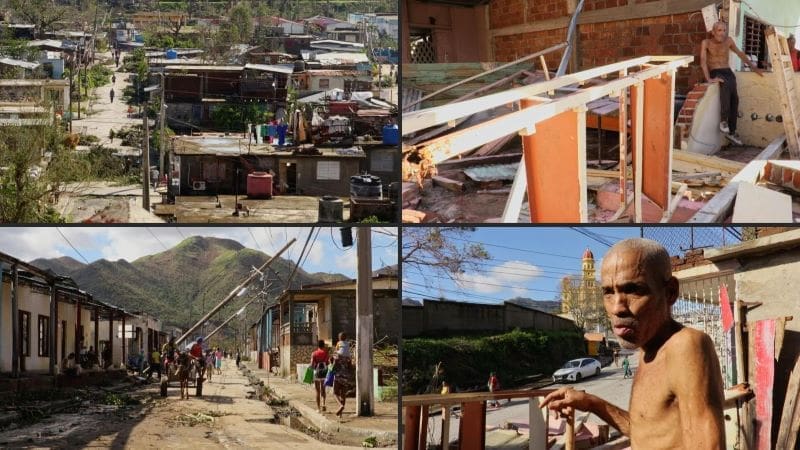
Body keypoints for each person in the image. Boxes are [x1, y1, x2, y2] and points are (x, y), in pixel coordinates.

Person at [542, 238, 725, 449]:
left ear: (670, 292)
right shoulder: (648, 350)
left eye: (633, 290)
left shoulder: (685, 345)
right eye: (608, 292)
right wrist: (591, 403)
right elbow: (647, 433)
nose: (617, 307)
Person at [700, 21, 764, 145]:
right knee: (725, 85)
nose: (722, 33)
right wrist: (708, 79)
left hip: (728, 71)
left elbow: (740, 54)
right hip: (715, 71)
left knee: (735, 100)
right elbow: (703, 61)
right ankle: (723, 121)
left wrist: (754, 68)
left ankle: (732, 132)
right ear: (713, 32)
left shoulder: (728, 41)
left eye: (724, 30)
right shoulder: (706, 43)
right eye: (719, 30)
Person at [310, 340, 329, 412]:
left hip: (317, 373)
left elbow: (312, 365)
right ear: (323, 345)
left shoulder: (314, 353)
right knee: (323, 389)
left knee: (317, 391)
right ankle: (323, 404)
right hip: (324, 372)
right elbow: (328, 363)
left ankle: (318, 408)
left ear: (317, 345)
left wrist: (310, 370)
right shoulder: (326, 353)